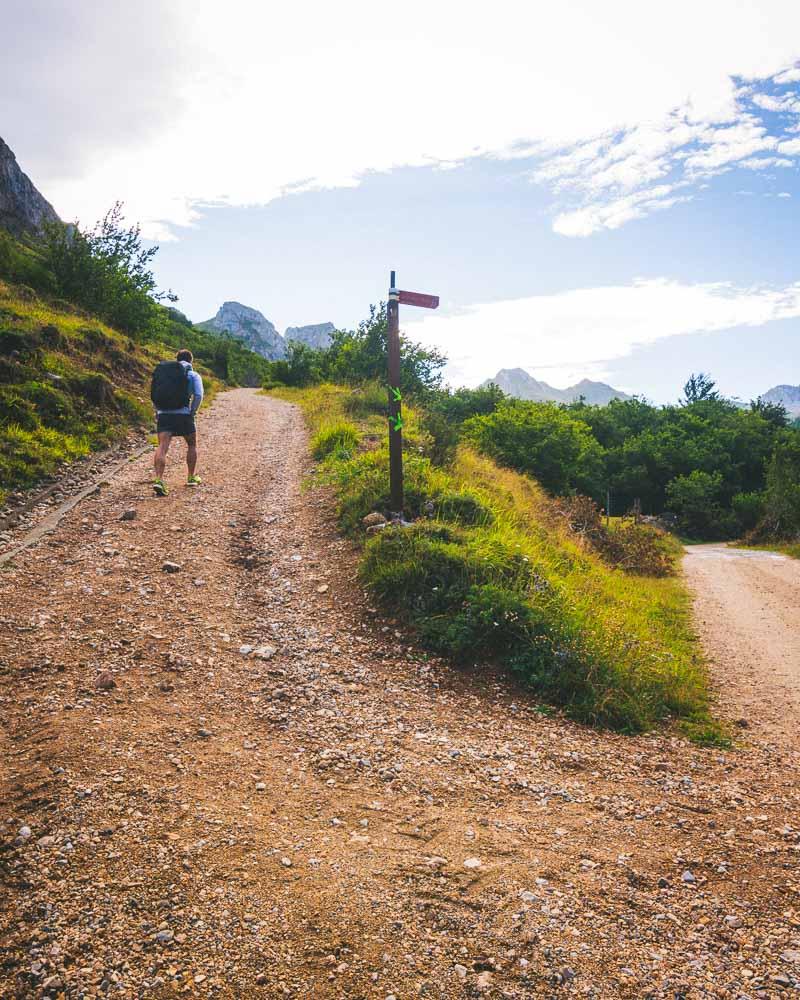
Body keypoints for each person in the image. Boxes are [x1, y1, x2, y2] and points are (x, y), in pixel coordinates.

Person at [151, 349, 204, 496]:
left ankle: (159, 480)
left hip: (164, 414)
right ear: (191, 360)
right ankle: (191, 477)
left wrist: (158, 411)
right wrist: (192, 412)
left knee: (162, 446)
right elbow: (198, 395)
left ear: (177, 358)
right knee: (191, 444)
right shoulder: (192, 374)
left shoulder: (164, 373)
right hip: (183, 414)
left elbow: (154, 394)